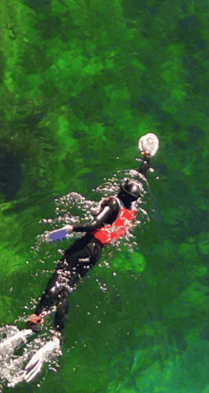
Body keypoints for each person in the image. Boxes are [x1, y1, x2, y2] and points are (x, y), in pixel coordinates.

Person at [27, 135, 158, 337]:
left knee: (59, 277)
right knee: (66, 288)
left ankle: (36, 318)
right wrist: (146, 157)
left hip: (86, 244)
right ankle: (57, 332)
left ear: (121, 192)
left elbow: (94, 225)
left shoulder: (114, 204)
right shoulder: (131, 209)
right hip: (96, 253)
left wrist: (69, 228)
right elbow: (140, 179)